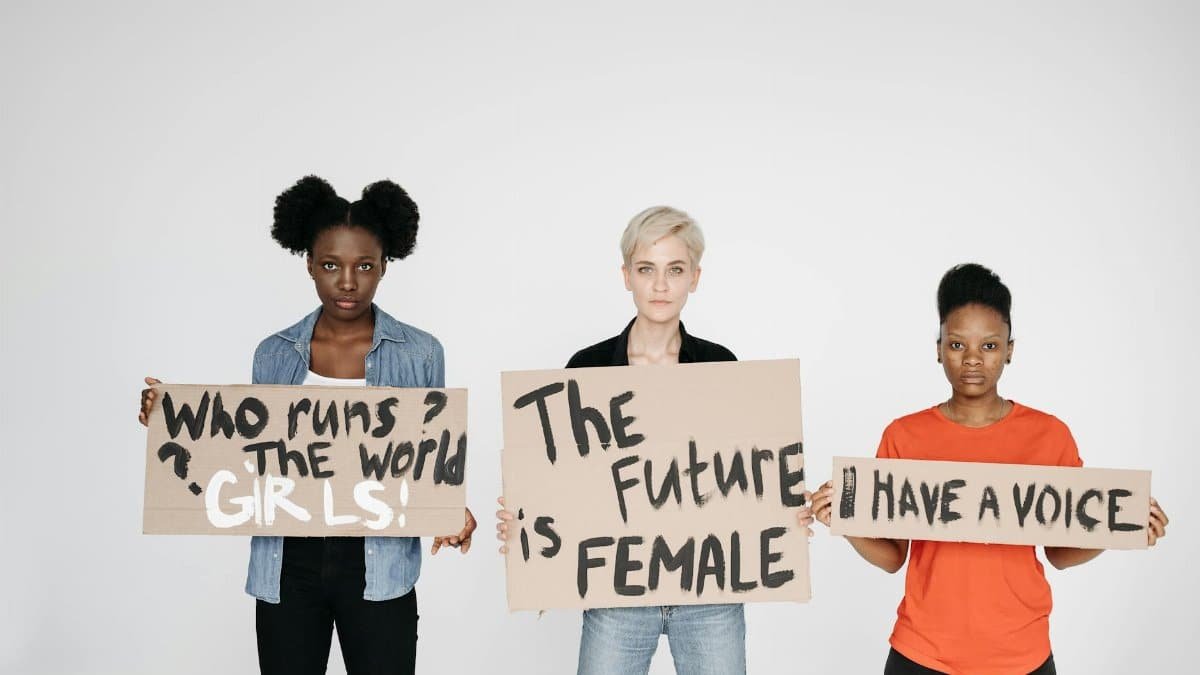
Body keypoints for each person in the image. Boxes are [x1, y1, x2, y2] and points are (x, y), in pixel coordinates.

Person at [139, 175, 477, 675]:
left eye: (364, 265)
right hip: (287, 564)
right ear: (309, 266)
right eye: (330, 265)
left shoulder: (421, 354)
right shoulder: (274, 354)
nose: (347, 281)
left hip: (377, 564)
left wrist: (450, 508)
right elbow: (249, 450)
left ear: (386, 265)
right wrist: (173, 417)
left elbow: (424, 455)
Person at [495, 206, 815, 675]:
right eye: (647, 269)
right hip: (617, 592)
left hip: (710, 593)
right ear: (626, 275)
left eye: (675, 270)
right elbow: (560, 481)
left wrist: (782, 510)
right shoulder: (588, 368)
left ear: (695, 278)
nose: (661, 285)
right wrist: (527, 520)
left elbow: (747, 474)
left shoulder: (721, 366)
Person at [810, 262, 1169, 675]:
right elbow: (893, 557)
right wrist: (845, 521)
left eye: (990, 346)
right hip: (922, 654)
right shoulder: (904, 435)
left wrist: (1117, 526)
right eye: (958, 345)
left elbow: (1060, 554)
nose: (973, 360)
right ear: (938, 346)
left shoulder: (1049, 436)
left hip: (1022, 656)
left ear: (1010, 350)